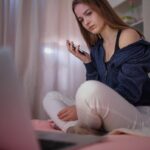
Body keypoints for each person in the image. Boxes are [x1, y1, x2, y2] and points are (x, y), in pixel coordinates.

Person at [43, 0, 150, 135]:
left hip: (138, 112)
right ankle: (73, 129)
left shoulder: (127, 36)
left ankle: (78, 126)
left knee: (87, 90)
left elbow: (129, 92)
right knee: (51, 97)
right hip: (111, 112)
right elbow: (100, 88)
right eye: (81, 19)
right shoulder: (97, 48)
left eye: (89, 13)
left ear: (102, 8)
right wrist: (88, 63)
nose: (86, 23)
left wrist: (81, 110)